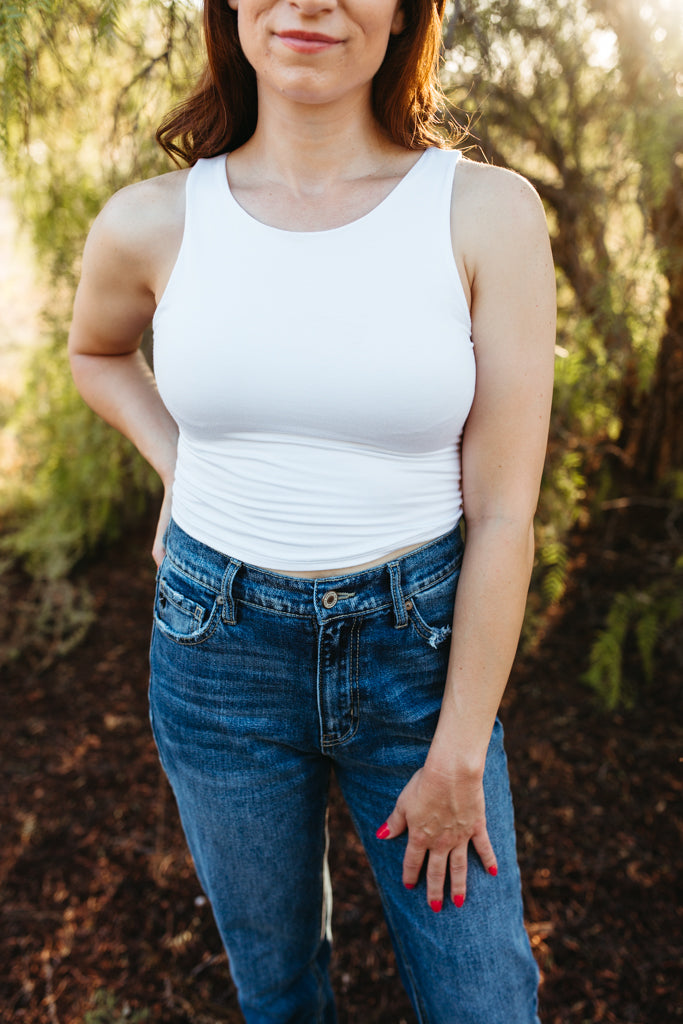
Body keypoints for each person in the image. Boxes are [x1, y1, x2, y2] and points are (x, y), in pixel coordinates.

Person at [68, 1, 556, 1021]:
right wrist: (176, 463)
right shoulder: (152, 220)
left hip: (418, 660)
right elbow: (96, 353)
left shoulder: (483, 212)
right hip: (217, 654)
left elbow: (505, 512)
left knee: (484, 998)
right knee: (278, 985)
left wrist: (457, 751)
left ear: (404, 13)